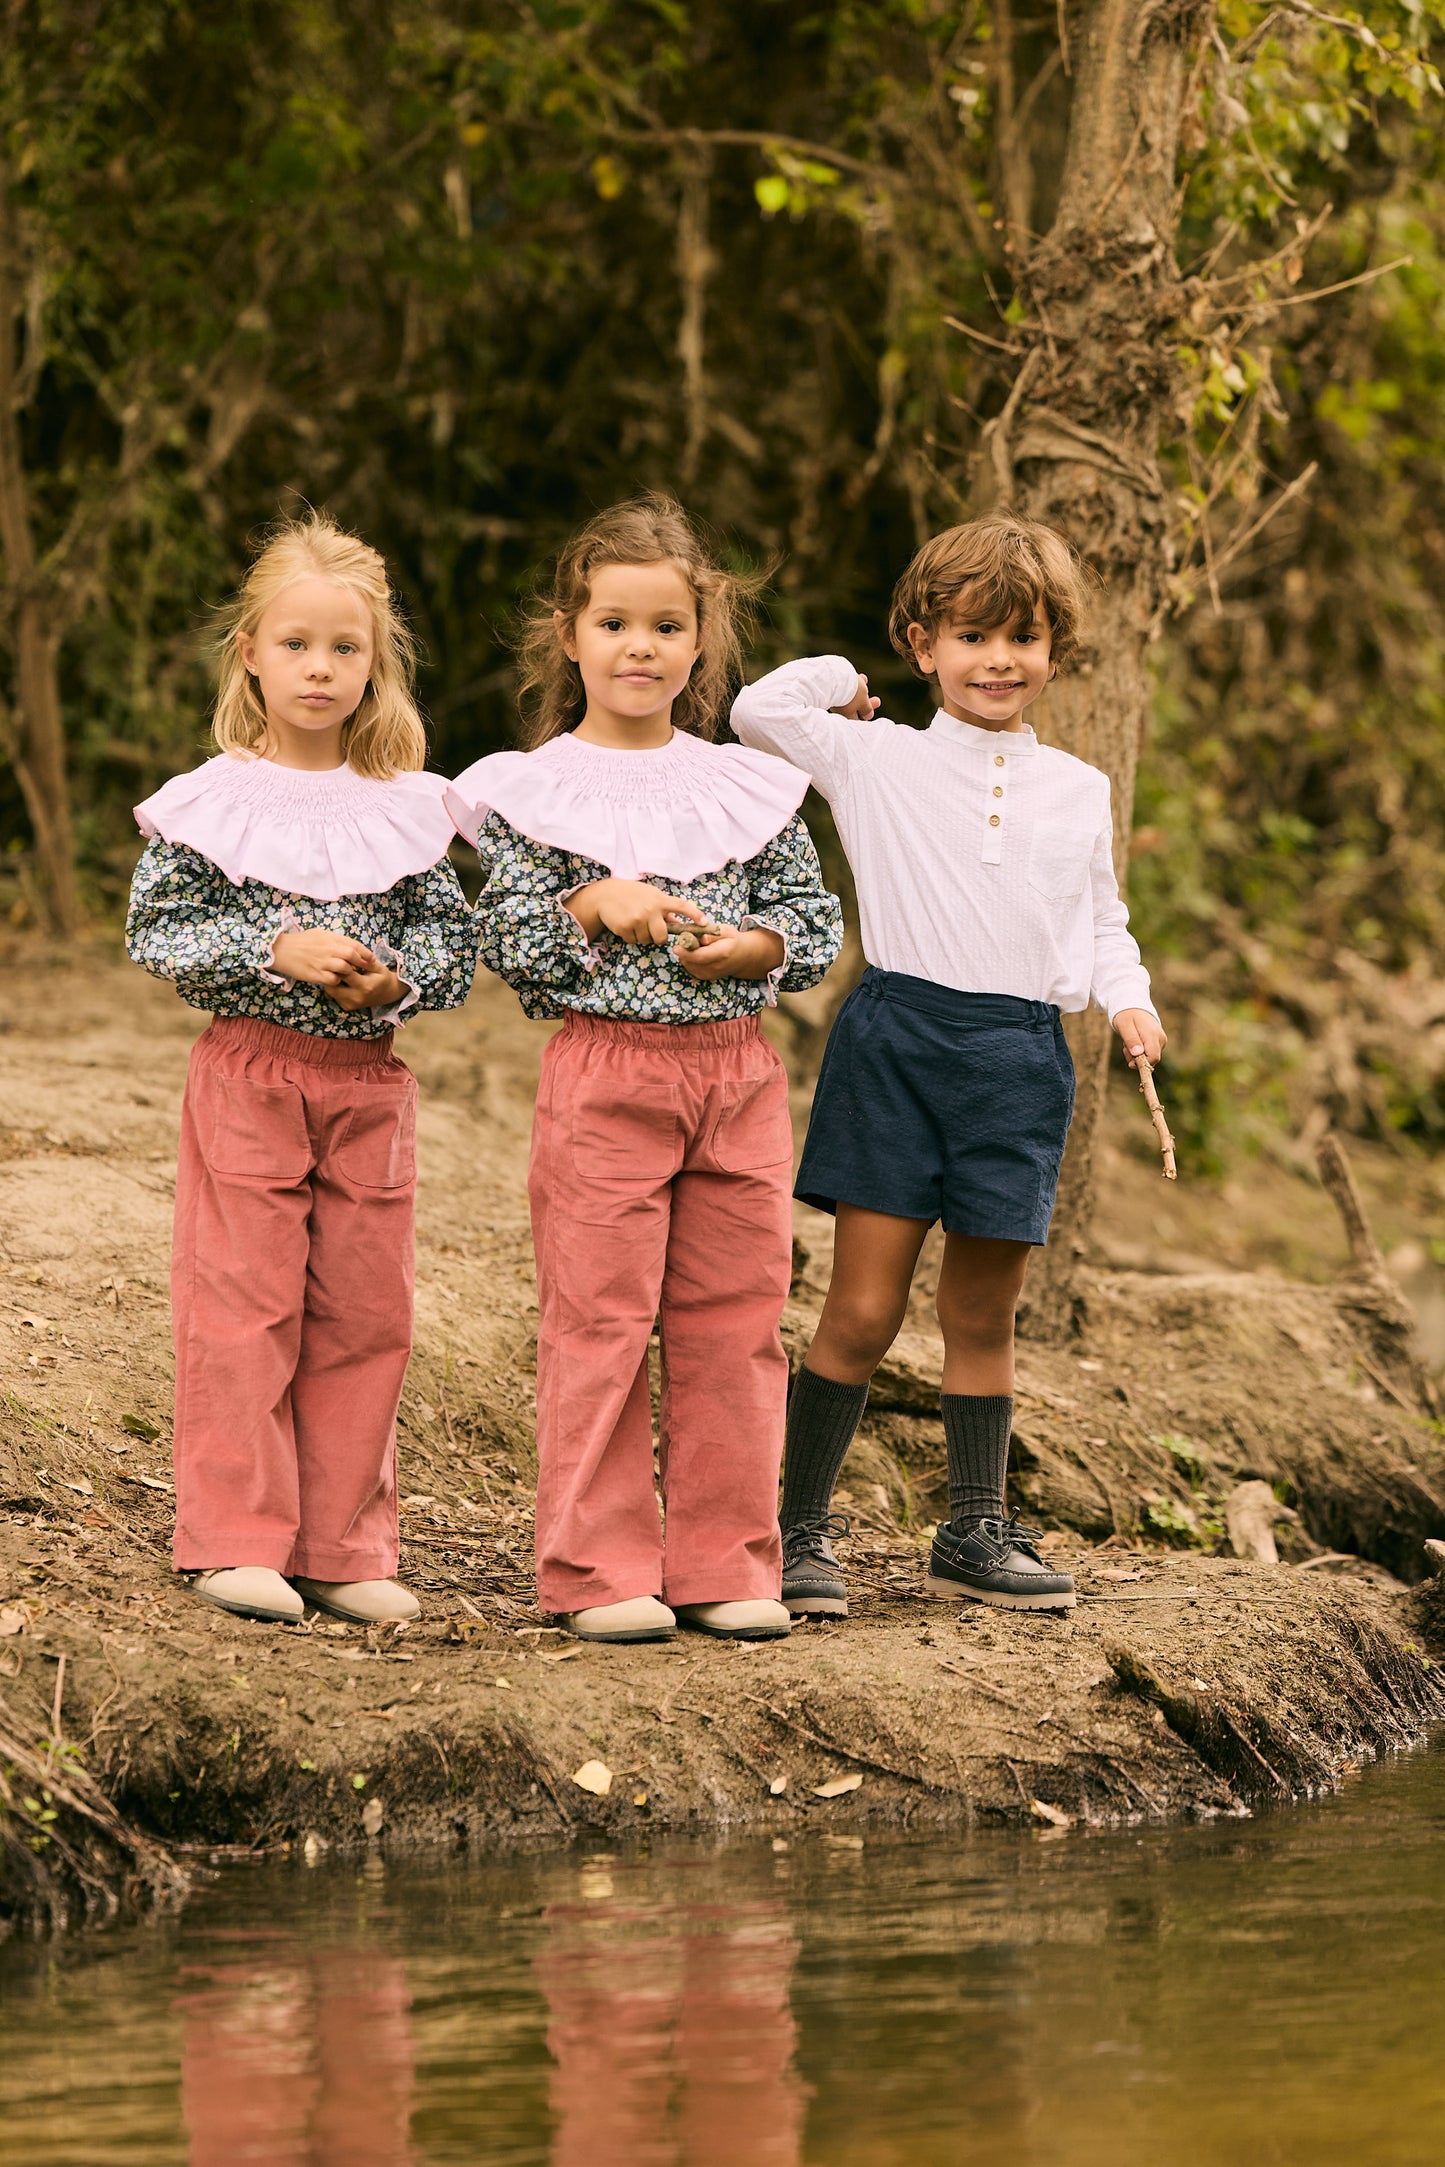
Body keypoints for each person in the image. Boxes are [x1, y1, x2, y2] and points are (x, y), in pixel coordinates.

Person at [730, 511, 1166, 1619]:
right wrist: (846, 684)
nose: (996, 660)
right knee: (862, 1305)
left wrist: (1128, 999)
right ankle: (795, 1531)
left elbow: (1100, 917)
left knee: (980, 1313)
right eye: (970, 636)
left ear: (1054, 652)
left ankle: (972, 1528)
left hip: (1018, 1061)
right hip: (896, 1046)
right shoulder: (875, 759)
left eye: (1022, 637)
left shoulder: (1077, 787)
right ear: (923, 645)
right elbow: (756, 709)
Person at [449, 494, 842, 1644]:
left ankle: (727, 1561)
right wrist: (592, 899)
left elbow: (811, 920)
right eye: (613, 623)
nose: (639, 647)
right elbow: (507, 942)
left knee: (735, 1318)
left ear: (699, 641)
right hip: (605, 1076)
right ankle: (597, 1565)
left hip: (737, 1079)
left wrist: (754, 946)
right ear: (568, 635)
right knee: (600, 1318)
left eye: (666, 626)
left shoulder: (744, 785)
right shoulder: (531, 789)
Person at [126, 512, 477, 1627]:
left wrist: (396, 985)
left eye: (343, 648)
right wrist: (271, 946)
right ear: (252, 654)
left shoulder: (408, 804)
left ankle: (341, 1544)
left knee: (364, 1310)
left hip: (368, 1083)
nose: (319, 668)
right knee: (245, 1303)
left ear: (375, 664)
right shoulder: (213, 799)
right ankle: (235, 1537)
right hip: (251, 1075)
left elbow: (451, 944)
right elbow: (158, 931)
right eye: (296, 645)